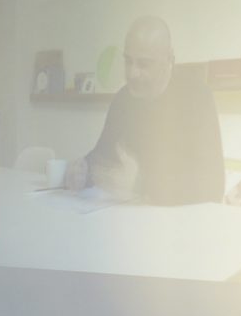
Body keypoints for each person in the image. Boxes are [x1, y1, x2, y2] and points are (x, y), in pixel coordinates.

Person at [63, 15, 224, 204]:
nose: (132, 73)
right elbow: (104, 157)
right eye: (128, 61)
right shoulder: (122, 99)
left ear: (169, 60)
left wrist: (140, 184)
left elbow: (213, 185)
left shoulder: (197, 97)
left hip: (178, 219)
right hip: (126, 215)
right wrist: (84, 169)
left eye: (144, 64)